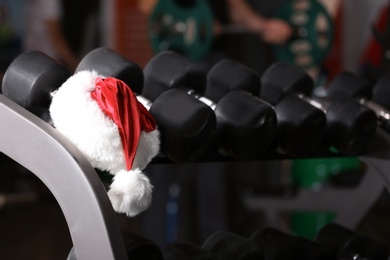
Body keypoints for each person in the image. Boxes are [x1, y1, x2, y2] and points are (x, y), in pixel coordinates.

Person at [23, 0, 79, 71]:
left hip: (30, 62)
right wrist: (78, 67)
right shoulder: (50, 2)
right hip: (46, 64)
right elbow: (56, 41)